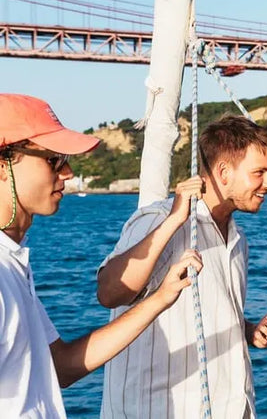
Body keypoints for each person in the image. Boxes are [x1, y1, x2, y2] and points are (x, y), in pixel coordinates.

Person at [0, 93, 203, 419]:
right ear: (2, 164)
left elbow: (62, 366)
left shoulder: (12, 264)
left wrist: (161, 297)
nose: (67, 172)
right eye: (54, 159)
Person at [97, 115, 267, 418]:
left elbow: (208, 314)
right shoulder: (158, 220)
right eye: (259, 173)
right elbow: (109, 292)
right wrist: (174, 220)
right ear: (223, 172)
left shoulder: (238, 240)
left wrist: (250, 331)